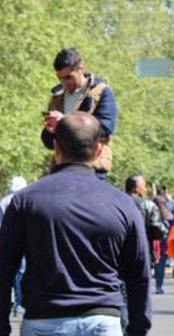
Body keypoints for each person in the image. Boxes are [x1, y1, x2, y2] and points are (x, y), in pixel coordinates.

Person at [0, 113, 151, 335]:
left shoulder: (26, 201)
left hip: (44, 321)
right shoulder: (123, 205)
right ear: (98, 150)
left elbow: (4, 268)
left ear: (56, 148)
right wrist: (138, 329)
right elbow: (139, 275)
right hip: (103, 320)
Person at [41, 48, 117, 179]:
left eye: (68, 77)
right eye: (60, 78)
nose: (64, 83)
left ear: (81, 68)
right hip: (60, 169)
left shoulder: (102, 92)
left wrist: (65, 122)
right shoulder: (56, 97)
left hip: (92, 170)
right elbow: (48, 142)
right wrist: (50, 129)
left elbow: (105, 129)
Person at [126, 174, 167, 268]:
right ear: (136, 188)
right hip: (142, 251)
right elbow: (159, 230)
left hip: (118, 252)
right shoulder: (148, 205)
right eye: (144, 186)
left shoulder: (116, 202)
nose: (145, 189)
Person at [0, 177, 28, 316]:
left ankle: (9, 304)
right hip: (24, 243)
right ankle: (20, 304)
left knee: (6, 274)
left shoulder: (4, 202)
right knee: (21, 273)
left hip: (6, 242)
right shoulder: (26, 200)